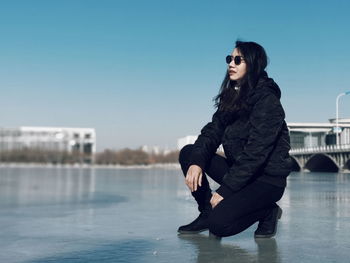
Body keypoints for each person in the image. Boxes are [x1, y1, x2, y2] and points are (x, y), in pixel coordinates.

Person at [178, 40, 292, 238]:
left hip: (267, 180)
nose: (231, 63)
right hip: (243, 174)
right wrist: (197, 163)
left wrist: (226, 190)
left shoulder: (267, 100)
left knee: (220, 226)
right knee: (189, 153)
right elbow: (212, 132)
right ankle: (206, 212)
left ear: (253, 64)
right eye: (229, 59)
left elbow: (256, 152)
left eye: (238, 60)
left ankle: (268, 211)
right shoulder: (232, 97)